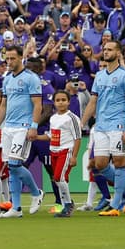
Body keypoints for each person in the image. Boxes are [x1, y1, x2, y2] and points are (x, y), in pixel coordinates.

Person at [82, 39, 125, 217]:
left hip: (119, 124)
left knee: (120, 163)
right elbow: (93, 101)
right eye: (104, 49)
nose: (105, 52)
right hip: (101, 125)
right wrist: (81, 123)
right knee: (100, 164)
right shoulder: (99, 75)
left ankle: (116, 204)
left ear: (118, 53)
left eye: (109, 49)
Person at [0, 45, 43, 219]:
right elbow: (3, 105)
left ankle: (36, 192)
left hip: (23, 127)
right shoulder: (7, 79)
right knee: (11, 167)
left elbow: (38, 104)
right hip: (8, 127)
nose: (9, 62)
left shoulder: (31, 78)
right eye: (7, 58)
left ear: (21, 58)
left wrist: (34, 126)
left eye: (12, 58)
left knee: (15, 164)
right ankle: (16, 208)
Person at [46, 88, 82, 218]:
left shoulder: (72, 118)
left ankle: (68, 204)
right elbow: (51, 135)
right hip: (53, 151)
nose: (60, 103)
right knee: (60, 179)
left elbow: (77, 137)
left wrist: (74, 156)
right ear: (54, 102)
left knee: (58, 177)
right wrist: (36, 137)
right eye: (58, 100)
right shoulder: (53, 118)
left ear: (68, 102)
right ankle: (63, 204)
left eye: (63, 100)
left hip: (66, 151)